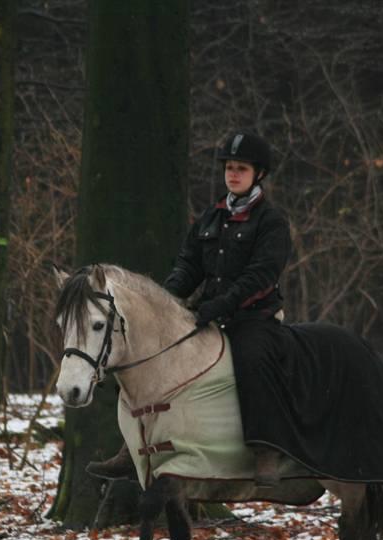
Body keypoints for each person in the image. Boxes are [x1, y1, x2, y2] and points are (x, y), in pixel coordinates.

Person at [88, 131, 290, 488]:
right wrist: (164, 302)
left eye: (241, 168)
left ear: (258, 174)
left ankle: (266, 451)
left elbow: (262, 274)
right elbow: (188, 265)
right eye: (229, 168)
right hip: (207, 314)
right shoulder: (211, 218)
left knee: (254, 360)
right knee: (143, 353)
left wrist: (222, 304)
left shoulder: (271, 221)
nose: (232, 174)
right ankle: (130, 446)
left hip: (253, 317)